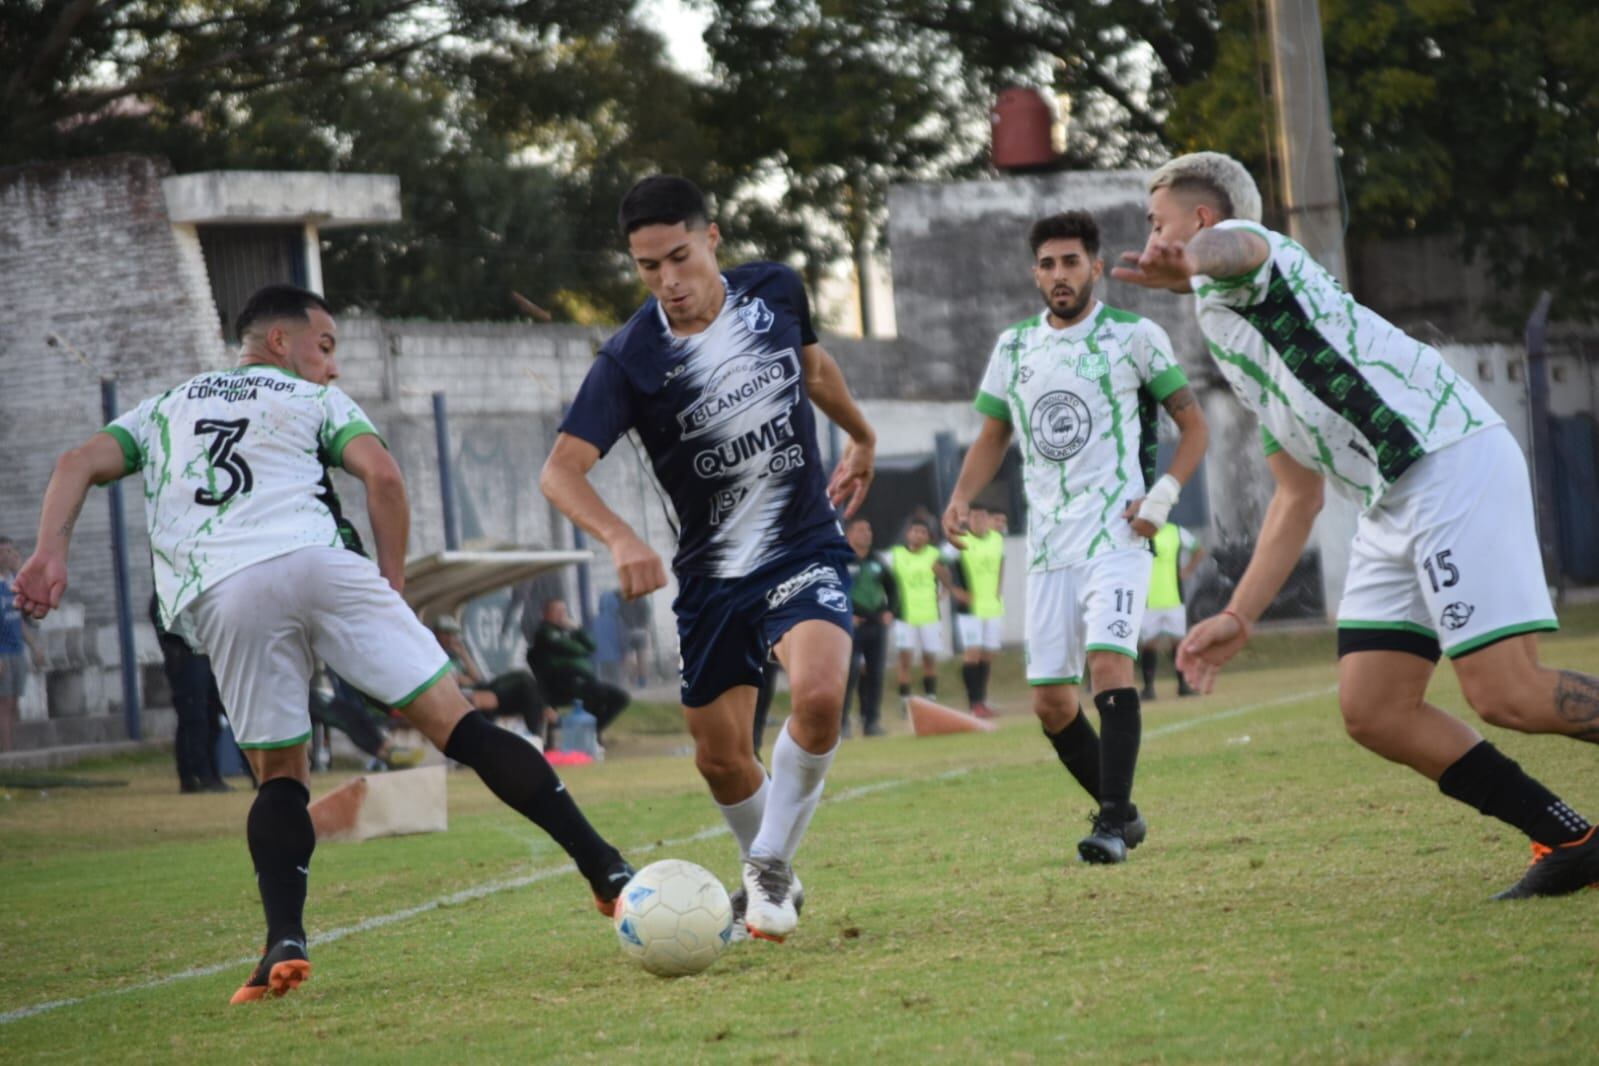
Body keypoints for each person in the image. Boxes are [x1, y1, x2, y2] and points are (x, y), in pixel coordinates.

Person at [12, 284, 634, 1005]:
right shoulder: (311, 400)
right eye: (326, 346)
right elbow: (384, 477)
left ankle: (284, 938)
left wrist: (47, 554)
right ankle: (605, 867)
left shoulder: (163, 407)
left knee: (280, 775)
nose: (333, 367)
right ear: (279, 341)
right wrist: (393, 580)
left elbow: (73, 462)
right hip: (320, 563)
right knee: (459, 724)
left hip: (225, 588)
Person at [1112, 150, 1599, 898]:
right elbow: (1295, 494)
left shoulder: (1253, 256)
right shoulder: (1224, 329)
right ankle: (1571, 838)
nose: (1150, 236)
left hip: (1444, 461)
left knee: (1509, 694)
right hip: (1388, 499)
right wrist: (1240, 613)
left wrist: (1190, 258)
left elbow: (1236, 247)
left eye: (1157, 223)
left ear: (1199, 219)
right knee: (1373, 709)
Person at [540, 174, 875, 942]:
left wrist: (861, 435)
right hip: (713, 578)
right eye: (647, 267)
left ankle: (763, 871)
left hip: (802, 543)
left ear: (712, 238)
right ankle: (771, 865)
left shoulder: (776, 293)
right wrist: (621, 539)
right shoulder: (629, 359)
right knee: (721, 759)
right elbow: (559, 470)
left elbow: (816, 372)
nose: (668, 281)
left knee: (820, 696)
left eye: (679, 258)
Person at [943, 209, 1210, 865]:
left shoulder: (1134, 336)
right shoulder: (1013, 348)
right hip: (1047, 548)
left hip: (1116, 534)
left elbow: (1193, 426)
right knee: (1050, 703)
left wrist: (1161, 498)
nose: (1058, 275)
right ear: (1034, 273)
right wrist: (959, 497)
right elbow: (991, 436)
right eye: (1046, 264)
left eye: (1069, 262)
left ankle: (1112, 824)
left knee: (1108, 665)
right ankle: (1123, 811)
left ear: (1094, 266)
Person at [150, 593, 230, 792]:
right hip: (186, 658)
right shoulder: (167, 590)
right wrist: (172, 648)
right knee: (194, 719)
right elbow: (158, 618)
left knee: (212, 718)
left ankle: (212, 774)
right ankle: (194, 776)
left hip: (207, 654)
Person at [526, 599, 630, 738]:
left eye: (563, 611)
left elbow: (592, 646)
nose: (561, 615)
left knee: (619, 698)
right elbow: (571, 649)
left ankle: (590, 732)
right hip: (564, 683)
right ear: (546, 614)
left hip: (582, 682)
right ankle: (588, 734)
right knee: (609, 697)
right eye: (556, 611)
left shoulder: (569, 631)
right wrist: (580, 648)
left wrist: (578, 629)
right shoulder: (545, 632)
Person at [890, 518, 959, 701]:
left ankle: (931, 696)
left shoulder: (933, 555)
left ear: (928, 537)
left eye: (923, 532)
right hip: (905, 615)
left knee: (929, 658)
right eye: (915, 531)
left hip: (929, 615)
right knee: (905, 660)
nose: (918, 535)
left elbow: (946, 575)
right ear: (908, 534)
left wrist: (945, 589)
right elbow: (886, 580)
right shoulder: (896, 555)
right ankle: (905, 699)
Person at [1139, 523, 1207, 699]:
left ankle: (1183, 685)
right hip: (1149, 599)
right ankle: (1148, 688)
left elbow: (1198, 550)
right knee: (1148, 644)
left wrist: (1187, 570)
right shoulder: (1140, 531)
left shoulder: (1176, 531)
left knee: (1178, 643)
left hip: (1174, 597)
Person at [950, 505, 1005, 718]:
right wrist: (955, 590)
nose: (979, 521)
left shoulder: (997, 539)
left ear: (988, 519)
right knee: (972, 653)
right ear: (968, 520)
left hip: (992, 606)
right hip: (969, 608)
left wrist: (998, 590)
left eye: (983, 517)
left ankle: (982, 700)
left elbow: (1001, 563)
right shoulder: (960, 540)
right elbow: (940, 565)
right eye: (974, 517)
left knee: (988, 653)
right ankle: (974, 703)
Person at [843, 517, 896, 737]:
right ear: (848, 535)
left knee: (875, 673)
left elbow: (893, 588)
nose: (867, 533)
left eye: (869, 529)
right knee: (849, 672)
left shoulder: (877, 561)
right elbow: (833, 590)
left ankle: (871, 721)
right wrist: (846, 614)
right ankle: (842, 722)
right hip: (851, 626)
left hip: (876, 625)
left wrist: (890, 611)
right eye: (861, 530)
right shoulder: (842, 560)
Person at [0, 537, 45, 752]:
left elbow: (20, 620)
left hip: (17, 649)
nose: (8, 555)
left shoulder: (14, 583)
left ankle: (14, 752)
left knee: (15, 703)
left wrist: (34, 647)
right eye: (3, 551)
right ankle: (6, 754)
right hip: (3, 652)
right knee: (4, 704)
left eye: (10, 551)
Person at [619, 593, 652, 688]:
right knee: (642, 657)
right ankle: (642, 681)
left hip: (627, 632)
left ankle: (632, 680)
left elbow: (620, 616)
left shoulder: (623, 600)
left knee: (628, 657)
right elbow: (647, 618)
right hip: (641, 631)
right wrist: (647, 633)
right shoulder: (642, 600)